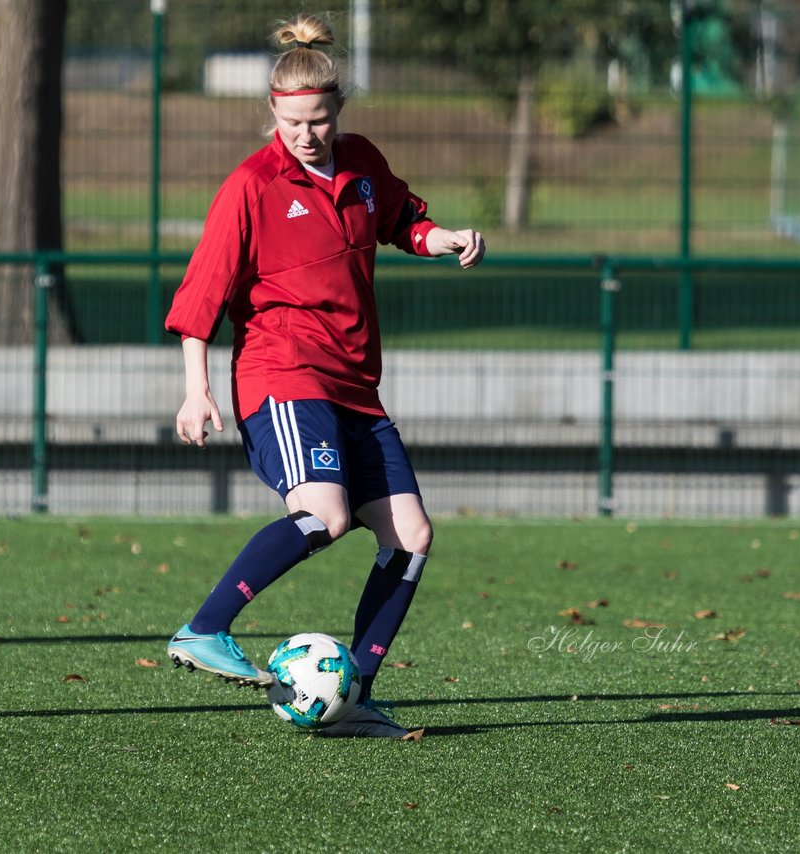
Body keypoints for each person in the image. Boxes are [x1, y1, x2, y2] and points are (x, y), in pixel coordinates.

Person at [164, 13, 485, 738]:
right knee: (327, 514)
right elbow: (200, 296)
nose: (304, 134)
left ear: (337, 110)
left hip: (353, 383)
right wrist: (198, 386)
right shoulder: (250, 185)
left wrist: (446, 240)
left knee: (410, 536)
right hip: (283, 371)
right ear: (271, 113)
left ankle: (355, 695)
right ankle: (204, 628)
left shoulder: (363, 162)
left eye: (317, 119)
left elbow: (404, 219)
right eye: (291, 121)